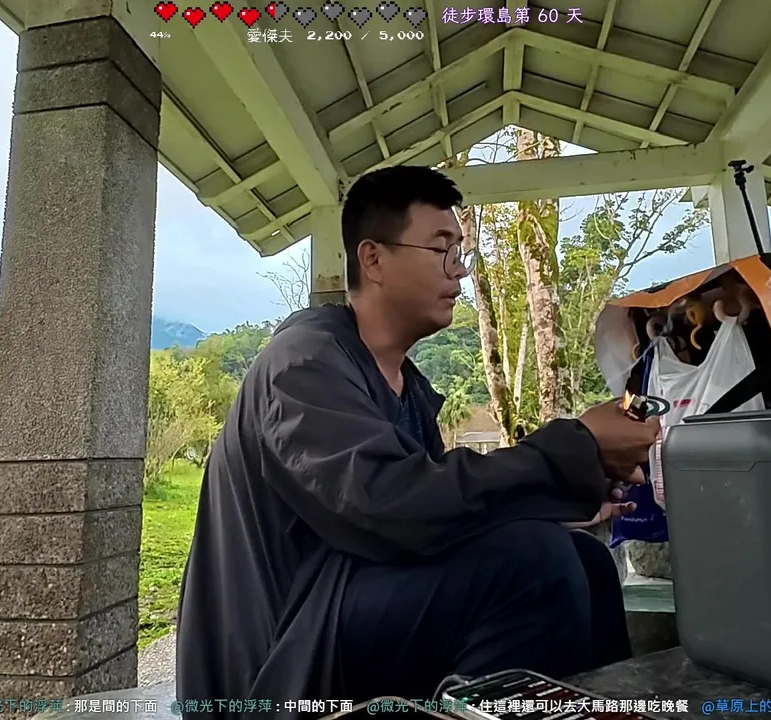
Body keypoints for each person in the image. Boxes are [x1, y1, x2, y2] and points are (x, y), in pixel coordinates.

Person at [175, 166, 659, 716]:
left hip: (345, 603)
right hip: (283, 652)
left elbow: (436, 515)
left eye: (461, 252)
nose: (460, 270)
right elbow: (388, 506)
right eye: (440, 248)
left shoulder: (407, 388)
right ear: (373, 259)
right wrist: (572, 447)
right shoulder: (302, 363)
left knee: (585, 558)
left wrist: (558, 497)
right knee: (534, 565)